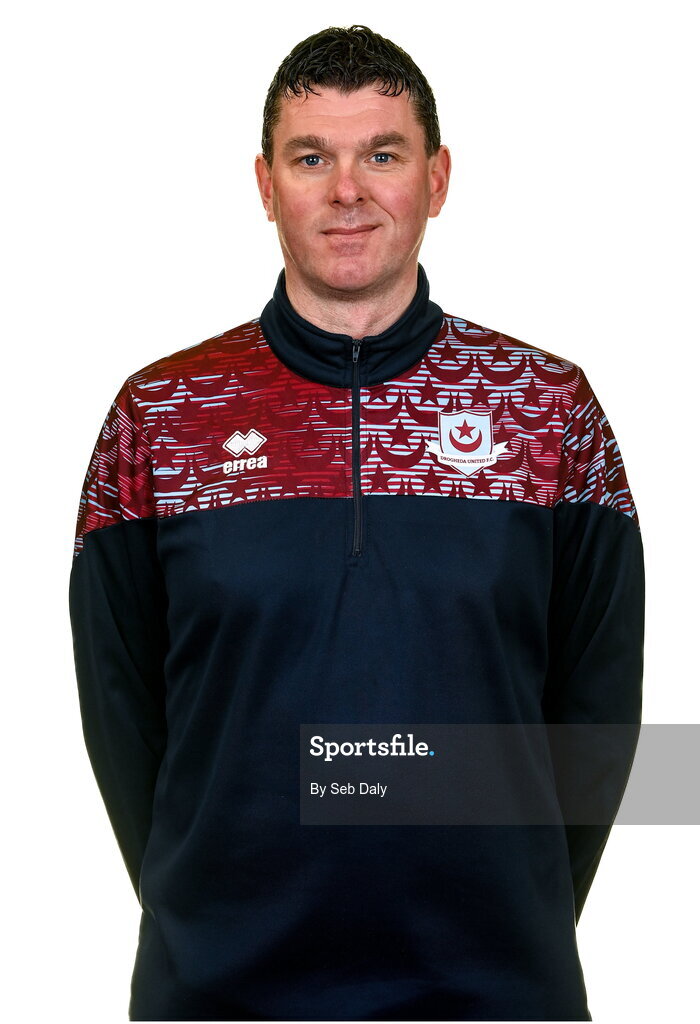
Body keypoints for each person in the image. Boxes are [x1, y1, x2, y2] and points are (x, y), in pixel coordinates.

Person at [68, 24, 645, 1022]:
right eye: (311, 158)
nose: (348, 189)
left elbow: (594, 717)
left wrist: (518, 903)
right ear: (264, 184)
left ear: (437, 177)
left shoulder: (547, 410)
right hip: (218, 992)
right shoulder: (160, 417)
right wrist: (202, 898)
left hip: (496, 992)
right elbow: (125, 721)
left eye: (382, 153)